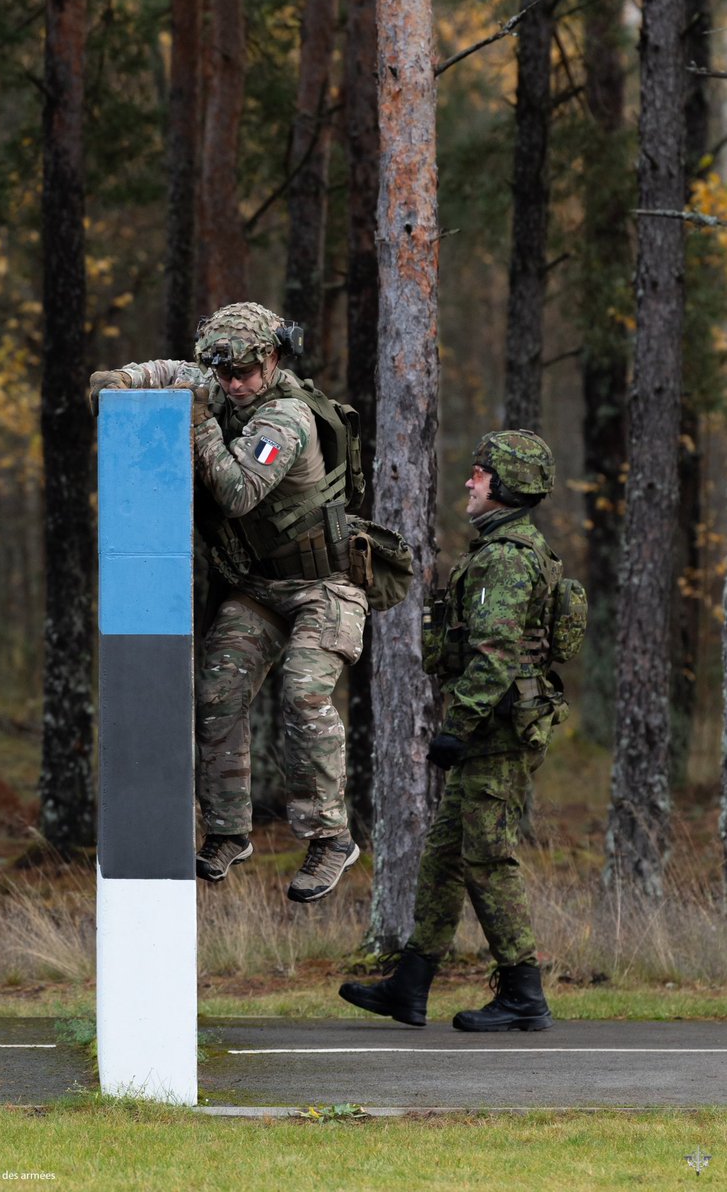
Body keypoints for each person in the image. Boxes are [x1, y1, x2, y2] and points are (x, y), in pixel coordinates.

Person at [90, 301, 367, 903]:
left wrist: (202, 424)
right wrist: (121, 381)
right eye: (223, 375)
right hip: (261, 587)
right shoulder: (215, 383)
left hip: (324, 587)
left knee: (304, 689)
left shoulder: (286, 419)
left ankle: (329, 838)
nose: (234, 385)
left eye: (245, 373)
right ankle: (228, 830)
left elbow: (239, 492)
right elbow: (171, 371)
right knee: (218, 690)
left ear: (272, 360)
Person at [339, 429, 564, 1030]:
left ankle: (524, 993)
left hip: (497, 734)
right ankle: (410, 986)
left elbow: (493, 653)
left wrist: (456, 726)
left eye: (481, 474)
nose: (470, 481)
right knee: (443, 858)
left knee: (488, 857)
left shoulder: (506, 559)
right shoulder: (499, 551)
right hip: (489, 731)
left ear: (507, 486)